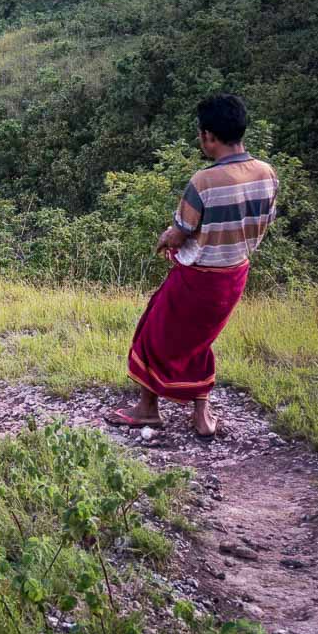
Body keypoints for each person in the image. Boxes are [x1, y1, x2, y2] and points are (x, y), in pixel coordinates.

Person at [107, 94, 278, 439]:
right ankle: (201, 414)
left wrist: (165, 239)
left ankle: (147, 410)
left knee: (152, 335)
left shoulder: (205, 182)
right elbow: (264, 220)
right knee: (199, 339)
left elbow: (181, 232)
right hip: (235, 274)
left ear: (208, 136)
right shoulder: (266, 174)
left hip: (199, 277)